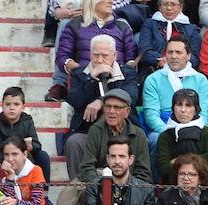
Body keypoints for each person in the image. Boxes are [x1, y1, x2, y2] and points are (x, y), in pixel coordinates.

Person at [64, 35, 139, 176]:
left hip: (122, 133)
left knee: (140, 140)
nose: (99, 60)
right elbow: (76, 100)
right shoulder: (80, 74)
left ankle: (130, 190)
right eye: (95, 55)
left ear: (115, 55)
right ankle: (79, 190)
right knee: (73, 142)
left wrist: (101, 101)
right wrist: (91, 78)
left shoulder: (127, 73)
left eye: (104, 56)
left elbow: (131, 98)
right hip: (88, 132)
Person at [48, 0, 137, 102]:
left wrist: (116, 71)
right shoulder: (75, 25)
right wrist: (82, 70)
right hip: (84, 82)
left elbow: (131, 59)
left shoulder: (122, 25)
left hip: (116, 82)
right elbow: (62, 57)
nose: (111, 2)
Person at [141, 38, 208, 151]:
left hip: (194, 125)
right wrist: (170, 132)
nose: (173, 56)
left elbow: (204, 113)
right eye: (170, 52)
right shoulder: (153, 79)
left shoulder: (200, 79)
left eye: (178, 52)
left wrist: (192, 131)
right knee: (155, 139)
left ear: (188, 56)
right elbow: (151, 114)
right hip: (165, 126)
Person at [75, 89, 152, 183]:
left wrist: (125, 186)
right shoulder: (95, 130)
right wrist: (100, 184)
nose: (111, 111)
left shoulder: (139, 134)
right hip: (99, 183)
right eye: (108, 106)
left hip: (130, 186)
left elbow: (143, 173)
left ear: (127, 112)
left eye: (117, 107)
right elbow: (87, 167)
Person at [0, 87, 50, 183]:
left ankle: (44, 189)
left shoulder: (27, 120)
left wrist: (31, 146)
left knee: (43, 156)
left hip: (24, 155)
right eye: (8, 104)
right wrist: (16, 146)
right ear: (2, 106)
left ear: (23, 107)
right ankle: (0, 184)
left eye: (16, 104)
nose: (11, 108)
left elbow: (37, 144)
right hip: (5, 155)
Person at [156, 89, 208, 183]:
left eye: (188, 105)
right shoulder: (165, 136)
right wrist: (198, 160)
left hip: (204, 185)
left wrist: (177, 161)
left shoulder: (206, 132)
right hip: (172, 186)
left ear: (196, 110)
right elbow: (163, 168)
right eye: (179, 105)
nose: (183, 110)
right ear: (173, 108)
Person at [84, 136, 155, 205]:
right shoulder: (94, 188)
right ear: (107, 159)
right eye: (113, 156)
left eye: (121, 156)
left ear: (131, 159)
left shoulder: (146, 191)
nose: (117, 161)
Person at [138, 0, 203, 71]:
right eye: (165, 4)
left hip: (184, 70)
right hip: (155, 68)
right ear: (159, 7)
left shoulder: (192, 29)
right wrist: (161, 61)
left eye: (173, 4)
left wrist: (173, 62)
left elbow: (195, 58)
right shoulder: (149, 24)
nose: (169, 8)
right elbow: (144, 51)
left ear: (180, 7)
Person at [0, 136, 46, 205]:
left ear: (24, 154)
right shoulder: (4, 171)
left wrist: (16, 202)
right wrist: (10, 177)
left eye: (15, 154)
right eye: (6, 154)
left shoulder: (35, 170)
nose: (10, 159)